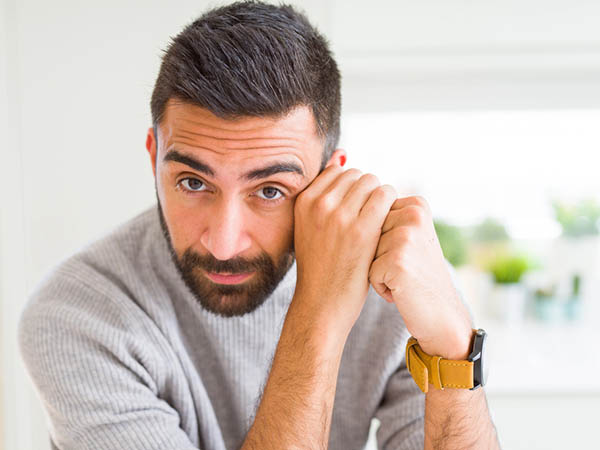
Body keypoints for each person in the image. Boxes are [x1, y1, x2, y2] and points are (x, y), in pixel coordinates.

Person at [18, 1, 500, 449]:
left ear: (329, 179)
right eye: (192, 182)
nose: (224, 244)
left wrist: (454, 350)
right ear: (153, 158)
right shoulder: (76, 317)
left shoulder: (396, 289)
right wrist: (321, 312)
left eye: (270, 190)